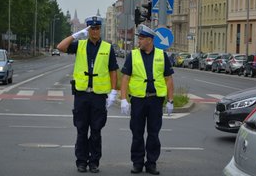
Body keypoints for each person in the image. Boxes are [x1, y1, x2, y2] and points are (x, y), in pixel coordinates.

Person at [57, 15, 119, 173]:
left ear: (101, 30)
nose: (95, 31)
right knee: (81, 130)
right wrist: (75, 35)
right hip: (82, 95)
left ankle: (94, 162)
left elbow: (113, 71)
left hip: (98, 96)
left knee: (96, 131)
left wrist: (113, 91)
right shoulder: (79, 45)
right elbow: (60, 47)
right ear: (88, 29)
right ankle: (81, 161)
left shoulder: (107, 47)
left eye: (97, 28)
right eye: (92, 28)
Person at [120, 24, 174, 175]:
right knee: (137, 133)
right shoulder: (133, 55)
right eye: (139, 38)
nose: (139, 41)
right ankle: (137, 163)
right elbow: (125, 78)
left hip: (155, 100)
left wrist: (170, 101)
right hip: (138, 100)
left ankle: (151, 163)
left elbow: (168, 79)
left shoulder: (161, 55)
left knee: (154, 133)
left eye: (142, 38)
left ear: (150, 40)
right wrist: (124, 99)